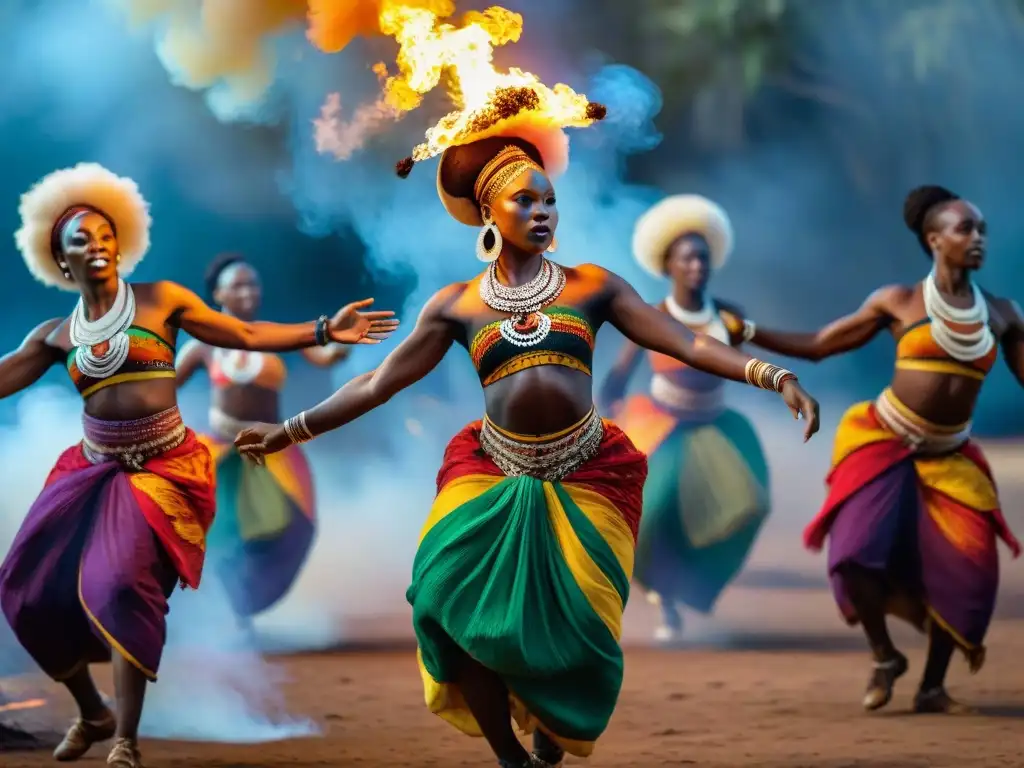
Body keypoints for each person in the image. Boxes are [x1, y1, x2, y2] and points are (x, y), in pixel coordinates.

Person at [234, 117, 820, 767]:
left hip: (587, 474)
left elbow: (684, 340)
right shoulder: (456, 305)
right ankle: (508, 755)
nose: (542, 212)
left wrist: (772, 374)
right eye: (525, 200)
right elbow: (376, 383)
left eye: (549, 201)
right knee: (442, 603)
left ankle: (551, 720)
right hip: (492, 473)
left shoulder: (593, 287)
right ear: (488, 211)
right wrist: (290, 430)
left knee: (579, 626)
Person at [0, 163, 398, 768]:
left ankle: (127, 738)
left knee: (122, 586)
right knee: (24, 590)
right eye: (81, 239)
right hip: (88, 471)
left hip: (162, 471)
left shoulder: (162, 301)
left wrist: (322, 329)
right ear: (61, 261)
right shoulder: (55, 336)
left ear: (121, 245)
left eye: (106, 234)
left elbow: (241, 332)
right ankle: (92, 710)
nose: (97, 245)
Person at [742, 185, 1023, 713]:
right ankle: (884, 655)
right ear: (935, 239)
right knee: (853, 554)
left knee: (967, 566)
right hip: (884, 441)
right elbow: (822, 345)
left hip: (952, 457)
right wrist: (749, 330)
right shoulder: (897, 300)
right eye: (966, 229)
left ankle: (933, 687)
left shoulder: (1004, 314)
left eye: (982, 229)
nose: (979, 238)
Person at [599, 195, 770, 643]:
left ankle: (693, 585)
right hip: (660, 427)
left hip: (715, 426)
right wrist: (609, 420)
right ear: (669, 266)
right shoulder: (653, 317)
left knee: (748, 505)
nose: (697, 266)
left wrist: (778, 384)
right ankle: (666, 604)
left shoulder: (729, 316)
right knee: (652, 515)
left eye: (703, 258)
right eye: (688, 258)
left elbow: (743, 362)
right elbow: (617, 379)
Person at [176, 254, 351, 621]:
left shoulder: (276, 336)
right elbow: (161, 386)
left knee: (291, 527)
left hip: (271, 451)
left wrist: (342, 339)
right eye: (238, 284)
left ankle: (243, 606)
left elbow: (326, 357)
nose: (248, 291)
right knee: (220, 534)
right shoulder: (202, 346)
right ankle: (221, 616)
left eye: (253, 283)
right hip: (221, 455)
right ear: (218, 292)